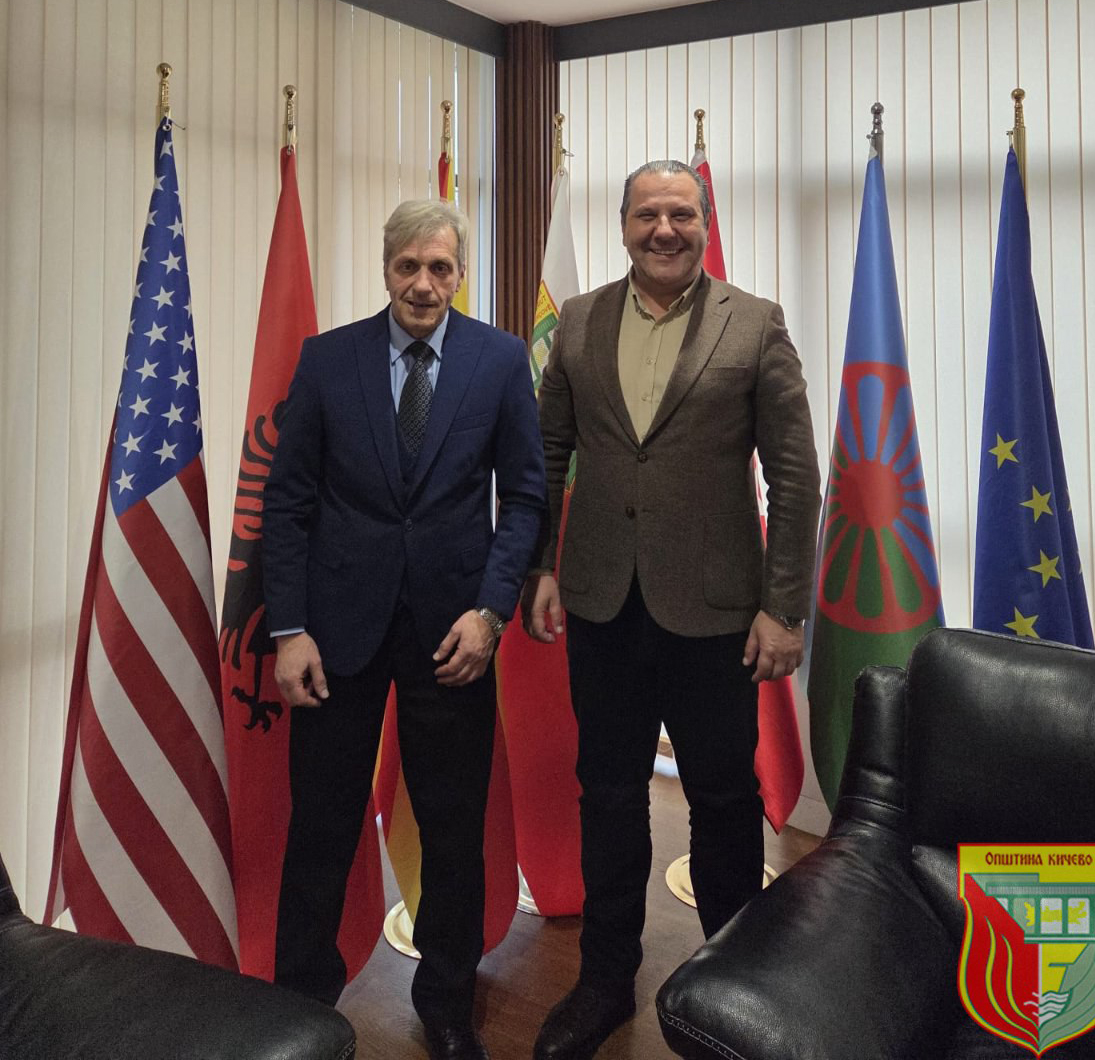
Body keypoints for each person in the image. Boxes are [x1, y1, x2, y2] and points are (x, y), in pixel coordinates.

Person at [523, 160, 821, 1060]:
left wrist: (783, 610)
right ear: (622, 225)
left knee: (723, 800)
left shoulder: (756, 323)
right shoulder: (578, 322)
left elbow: (796, 476)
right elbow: (547, 455)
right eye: (648, 214)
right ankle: (605, 979)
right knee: (610, 794)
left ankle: (730, 992)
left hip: (718, 612)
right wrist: (539, 569)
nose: (665, 229)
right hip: (601, 602)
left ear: (703, 223)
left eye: (682, 214)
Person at [263, 198, 546, 1060]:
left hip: (453, 635)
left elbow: (525, 498)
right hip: (334, 637)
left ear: (460, 273)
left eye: (440, 268)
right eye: (408, 266)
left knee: (453, 832)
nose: (424, 284)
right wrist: (289, 629)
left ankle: (448, 1005)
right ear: (386, 267)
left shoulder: (500, 361)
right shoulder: (328, 360)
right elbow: (287, 502)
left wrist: (491, 613)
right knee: (321, 827)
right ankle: (300, 1005)